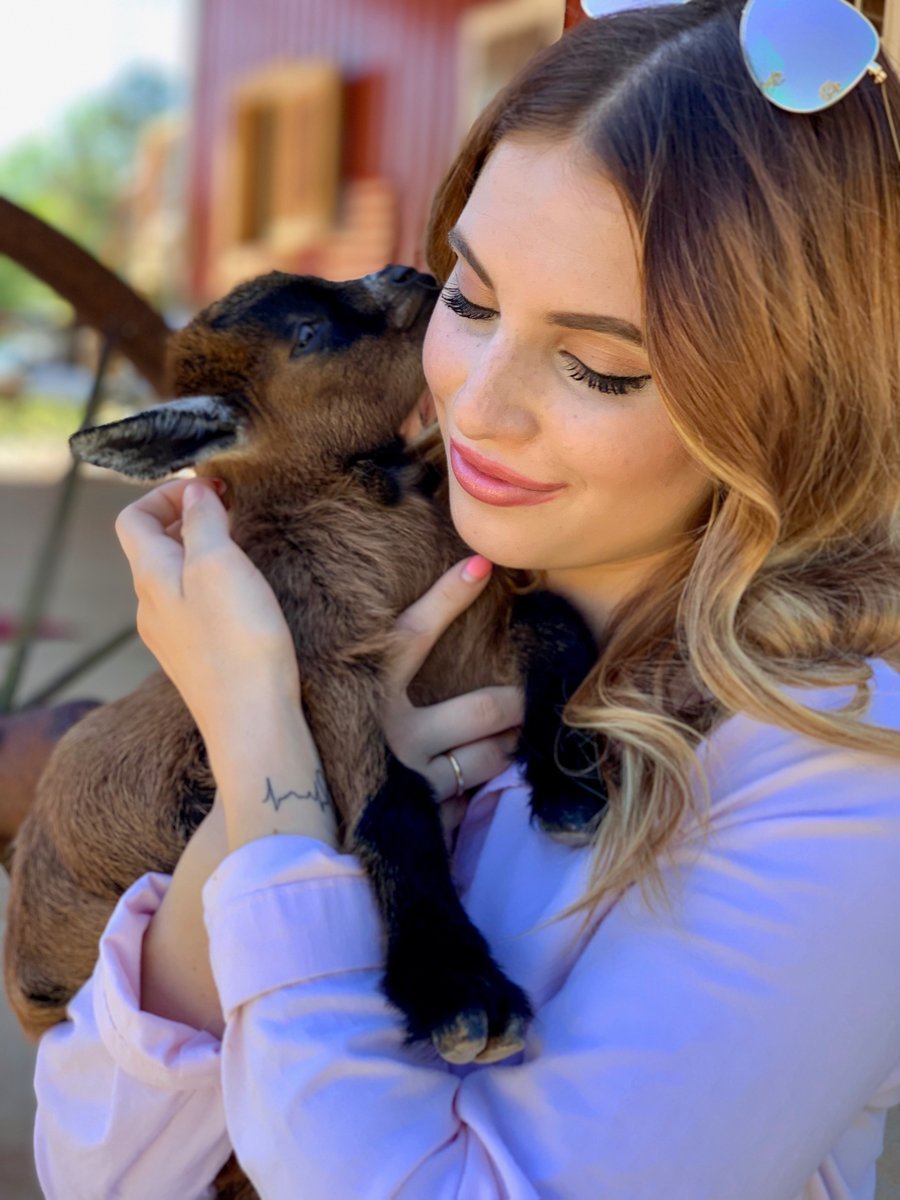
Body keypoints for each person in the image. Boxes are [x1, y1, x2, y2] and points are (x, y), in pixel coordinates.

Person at [30, 1, 900, 1196]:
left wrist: (267, 756)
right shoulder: (412, 610)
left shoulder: (838, 769)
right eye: (472, 299)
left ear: (790, 400)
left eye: (600, 365)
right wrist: (282, 776)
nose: (477, 406)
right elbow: (99, 1168)